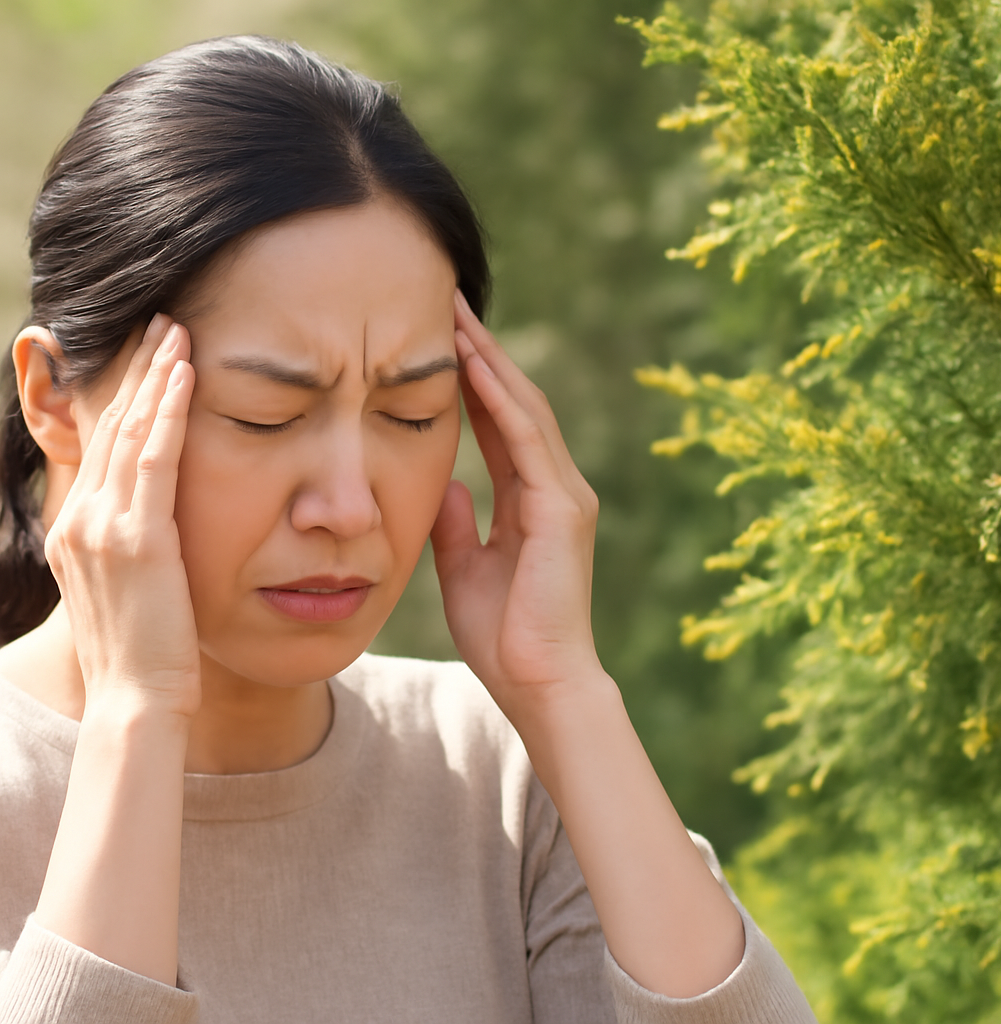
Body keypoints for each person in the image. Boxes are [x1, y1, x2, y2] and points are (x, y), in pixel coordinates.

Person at [0, 36, 816, 1024]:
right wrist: (138, 715)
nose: (350, 506)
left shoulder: (499, 778)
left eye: (413, 413)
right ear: (54, 398)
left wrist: (566, 700)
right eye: (264, 415)